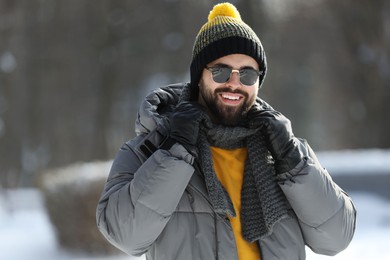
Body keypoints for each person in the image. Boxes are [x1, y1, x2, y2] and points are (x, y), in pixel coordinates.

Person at [96, 2, 356, 260]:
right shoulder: (150, 148)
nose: (234, 83)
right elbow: (125, 236)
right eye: (220, 71)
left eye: (248, 74)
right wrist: (175, 152)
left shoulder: (285, 152)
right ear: (199, 76)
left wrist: (293, 161)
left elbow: (336, 238)